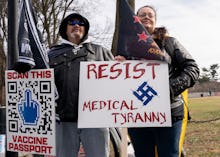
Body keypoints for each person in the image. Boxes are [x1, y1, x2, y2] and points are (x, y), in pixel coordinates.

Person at [115, 5, 200, 157]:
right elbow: (116, 81)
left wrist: (170, 89)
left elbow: (192, 69)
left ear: (155, 21)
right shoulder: (126, 47)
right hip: (137, 116)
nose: (146, 17)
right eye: (142, 15)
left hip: (170, 113)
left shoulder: (170, 43)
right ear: (136, 19)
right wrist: (117, 67)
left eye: (150, 15)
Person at [48, 13, 113, 157]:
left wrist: (122, 63)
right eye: (72, 22)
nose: (76, 25)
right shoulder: (51, 54)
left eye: (80, 23)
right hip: (63, 119)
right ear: (65, 29)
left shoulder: (100, 51)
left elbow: (118, 80)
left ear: (85, 29)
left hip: (96, 119)